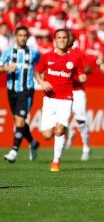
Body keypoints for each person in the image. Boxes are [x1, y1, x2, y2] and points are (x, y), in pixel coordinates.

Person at [34, 29, 86, 172]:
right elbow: (37, 72)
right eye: (59, 37)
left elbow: (81, 75)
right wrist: (42, 83)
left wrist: (82, 77)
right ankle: (65, 130)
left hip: (66, 99)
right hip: (50, 99)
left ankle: (56, 161)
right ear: (54, 40)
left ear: (67, 40)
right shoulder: (47, 57)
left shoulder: (75, 58)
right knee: (46, 135)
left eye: (64, 37)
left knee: (59, 130)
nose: (62, 40)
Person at [0, 26, 41, 163]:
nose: (22, 38)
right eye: (20, 35)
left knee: (20, 120)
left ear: (27, 37)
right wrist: (6, 68)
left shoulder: (34, 53)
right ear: (16, 37)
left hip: (27, 90)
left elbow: (40, 68)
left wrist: (42, 80)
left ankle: (14, 151)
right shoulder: (9, 52)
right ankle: (33, 142)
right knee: (19, 121)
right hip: (12, 91)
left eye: (25, 35)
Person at [64, 31, 91, 161]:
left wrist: (80, 73)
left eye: (67, 37)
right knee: (60, 119)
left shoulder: (78, 53)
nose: (65, 39)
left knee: (80, 120)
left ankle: (86, 148)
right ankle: (70, 131)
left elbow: (88, 68)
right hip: (62, 90)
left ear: (72, 40)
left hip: (77, 90)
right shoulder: (57, 52)